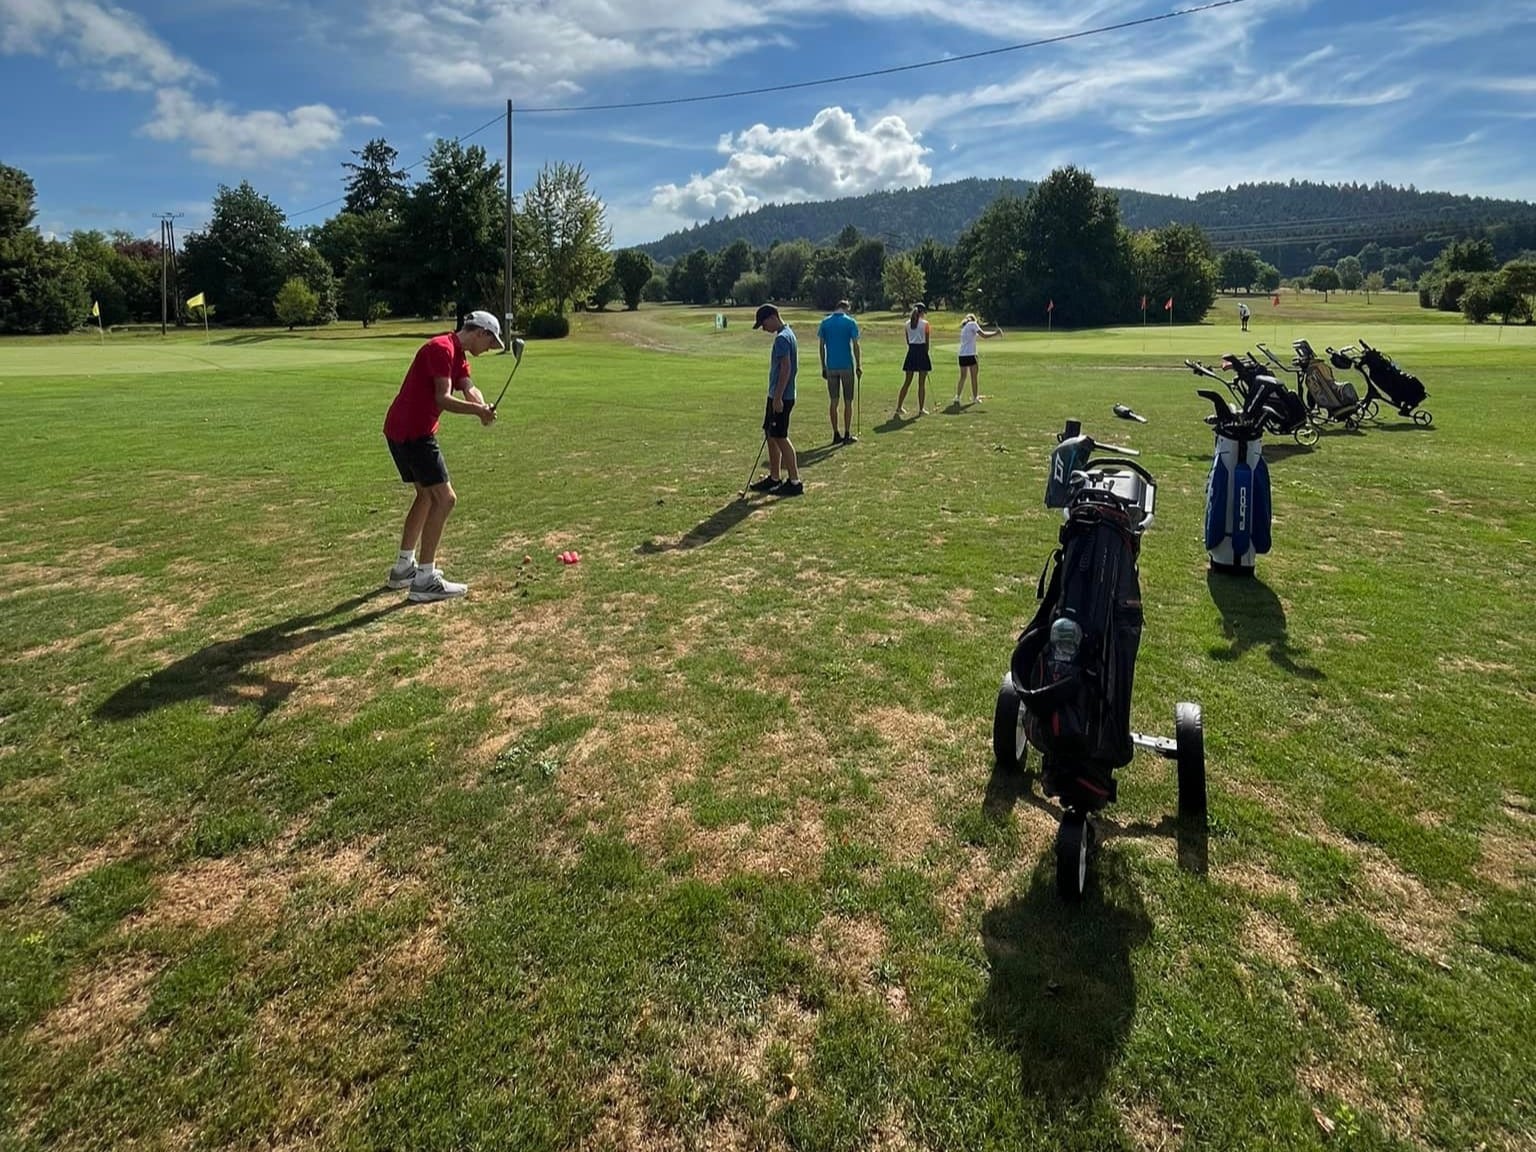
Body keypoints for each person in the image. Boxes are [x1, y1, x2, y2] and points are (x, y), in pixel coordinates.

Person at [382, 310, 502, 602]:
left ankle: (403, 568)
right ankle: (424, 578)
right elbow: (442, 398)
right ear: (480, 333)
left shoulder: (457, 353)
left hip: (400, 429)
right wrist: (477, 412)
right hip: (414, 434)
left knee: (425, 496)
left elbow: (467, 386)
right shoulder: (441, 349)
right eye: (491, 342)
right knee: (445, 499)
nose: (489, 349)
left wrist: (482, 406)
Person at [746, 304, 803, 497]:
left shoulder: (782, 338)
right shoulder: (788, 333)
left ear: (772, 317)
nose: (763, 328)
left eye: (763, 324)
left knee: (780, 436)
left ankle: (794, 481)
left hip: (781, 397)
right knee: (770, 434)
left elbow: (786, 369)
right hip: (778, 395)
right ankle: (774, 477)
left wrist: (777, 397)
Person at [817, 299, 862, 444]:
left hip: (831, 366)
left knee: (834, 401)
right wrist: (858, 365)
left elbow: (821, 346)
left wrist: (823, 366)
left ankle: (836, 433)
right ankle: (847, 433)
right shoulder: (850, 322)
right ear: (846, 308)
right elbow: (856, 345)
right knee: (848, 401)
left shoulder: (825, 322)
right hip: (847, 366)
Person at [954, 312, 1002, 405]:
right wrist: (996, 333)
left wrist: (994, 333)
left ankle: (957, 397)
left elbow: (981, 334)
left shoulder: (964, 327)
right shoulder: (973, 324)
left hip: (962, 355)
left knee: (963, 377)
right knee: (974, 377)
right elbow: (983, 335)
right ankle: (975, 397)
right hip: (971, 354)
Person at [895, 303, 932, 416]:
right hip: (921, 351)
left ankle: (899, 407)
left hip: (911, 351)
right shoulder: (925, 324)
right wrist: (926, 355)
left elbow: (907, 340)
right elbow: (927, 341)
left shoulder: (907, 324)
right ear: (922, 312)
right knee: (921, 384)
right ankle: (921, 410)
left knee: (907, 382)